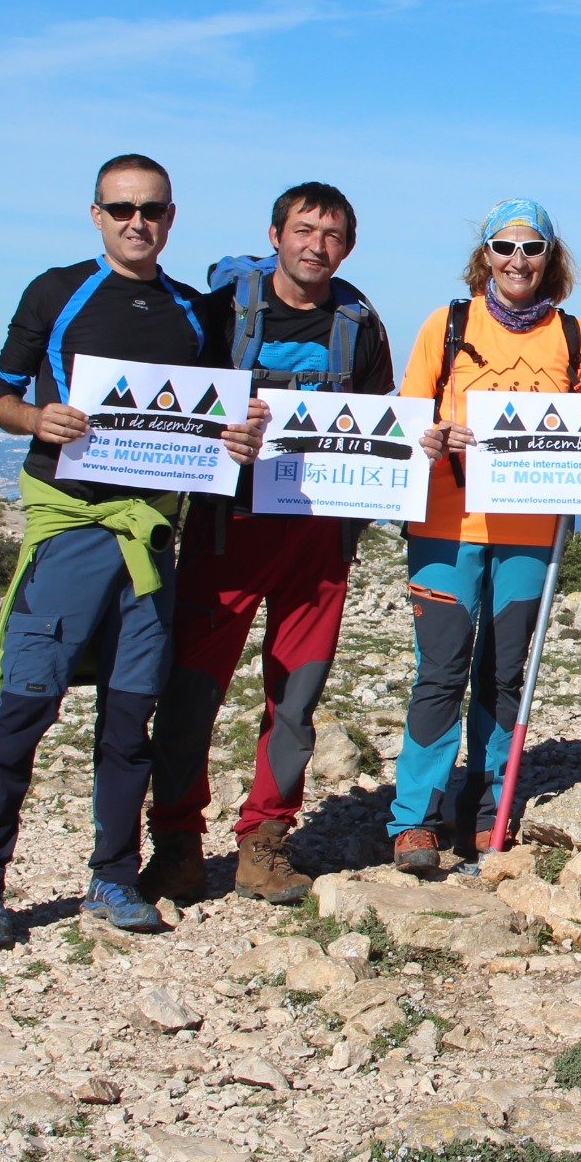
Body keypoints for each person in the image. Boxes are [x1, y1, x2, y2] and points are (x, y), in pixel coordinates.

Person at [0, 155, 266, 946]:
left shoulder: (198, 313)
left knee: (130, 720)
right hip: (70, 528)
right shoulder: (59, 292)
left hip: (151, 539)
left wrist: (235, 439)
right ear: (96, 214)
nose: (139, 223)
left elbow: (209, 423)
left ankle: (113, 877)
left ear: (171, 217)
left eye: (153, 210)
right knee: (25, 710)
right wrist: (36, 422)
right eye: (122, 208)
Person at [137, 183, 396, 906]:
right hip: (229, 531)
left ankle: (265, 843)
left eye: (333, 235)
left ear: (348, 246)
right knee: (192, 693)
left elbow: (378, 423)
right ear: (276, 233)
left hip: (317, 544)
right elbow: (178, 408)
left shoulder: (359, 322)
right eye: (304, 230)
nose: (317, 246)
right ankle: (178, 845)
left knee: (296, 698)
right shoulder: (223, 312)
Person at [388, 201, 581, 873]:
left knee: (505, 673)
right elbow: (403, 424)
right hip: (446, 526)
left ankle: (485, 811)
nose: (518, 261)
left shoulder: (574, 337)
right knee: (441, 672)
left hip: (531, 532)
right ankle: (415, 818)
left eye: (532, 248)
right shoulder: (445, 326)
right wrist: (431, 436)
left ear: (550, 258)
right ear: (484, 256)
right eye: (504, 247)